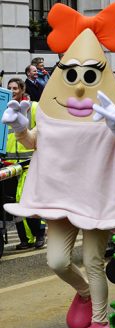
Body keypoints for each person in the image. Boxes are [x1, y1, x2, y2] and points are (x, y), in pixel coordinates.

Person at [2, 2, 115, 328]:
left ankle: (100, 323)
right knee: (57, 261)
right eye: (72, 76)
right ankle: (83, 294)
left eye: (89, 77)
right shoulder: (50, 112)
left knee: (93, 260)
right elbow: (36, 144)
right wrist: (19, 128)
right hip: (60, 198)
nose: (78, 88)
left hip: (95, 201)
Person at [5, 78, 46, 250]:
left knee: (25, 199)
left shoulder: (34, 107)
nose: (12, 90)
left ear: (22, 89)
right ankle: (25, 238)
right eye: (9, 88)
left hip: (29, 161)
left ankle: (39, 233)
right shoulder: (4, 109)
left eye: (15, 88)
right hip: (8, 163)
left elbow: (42, 132)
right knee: (13, 202)